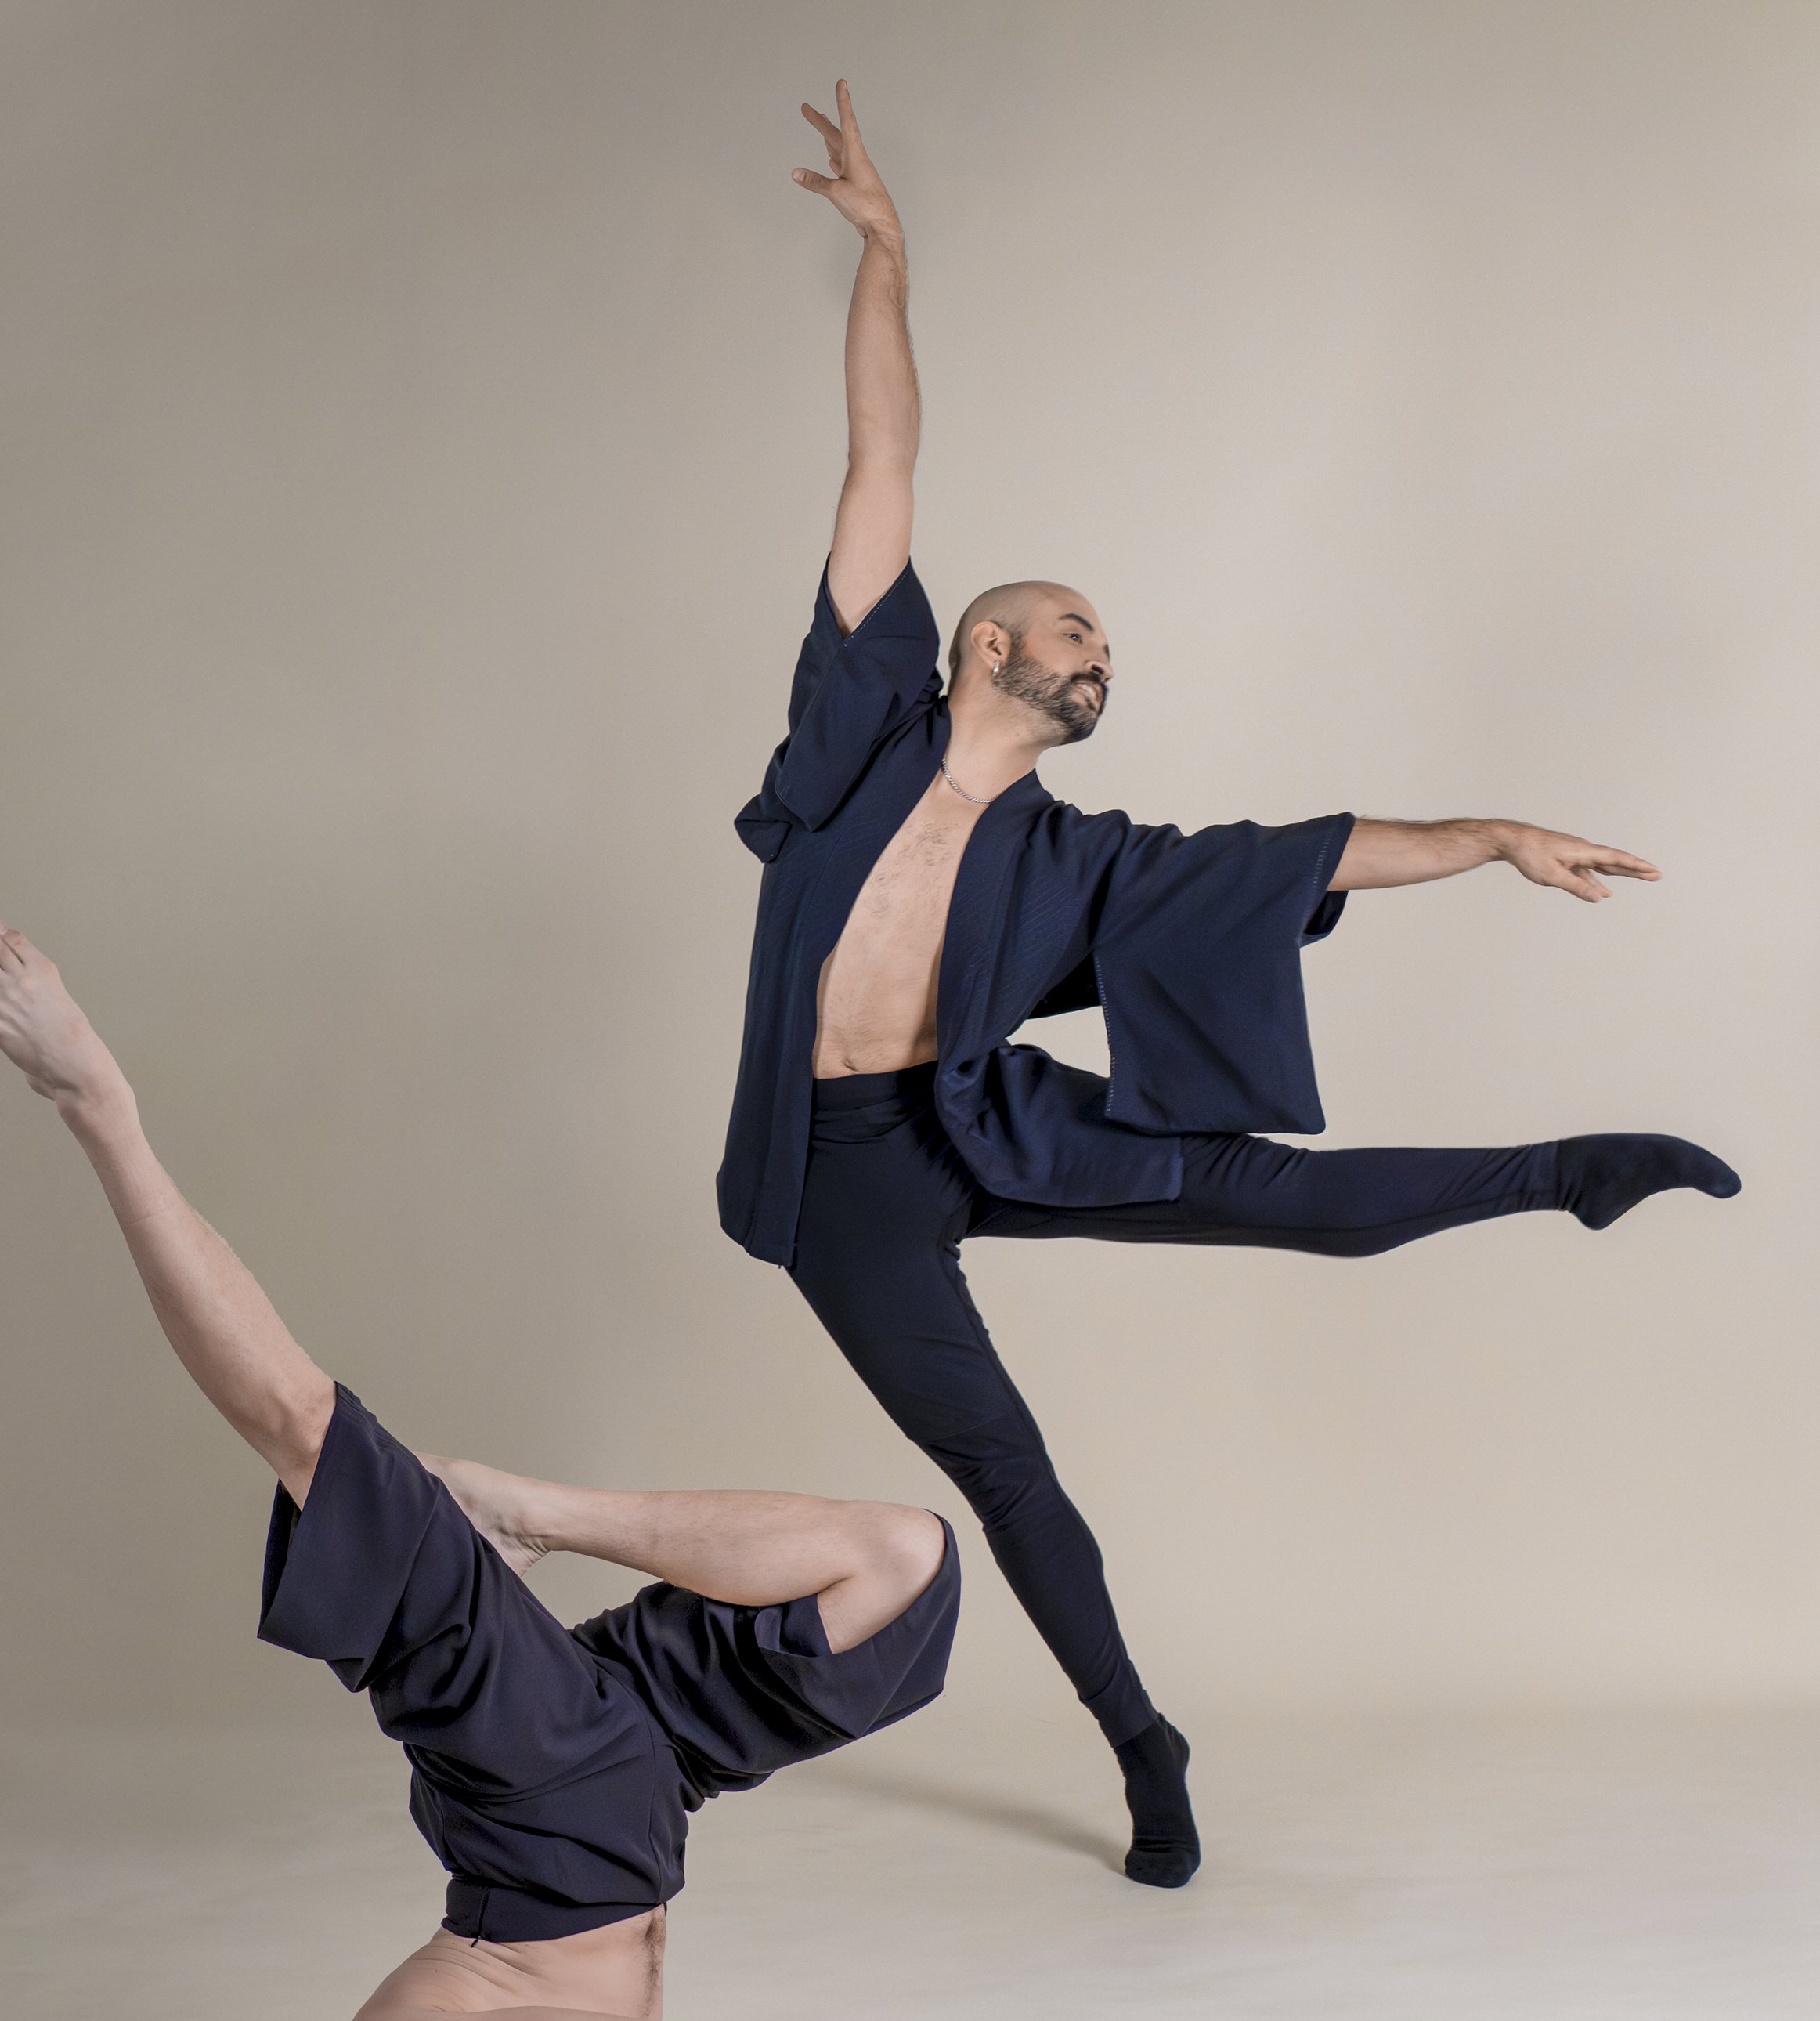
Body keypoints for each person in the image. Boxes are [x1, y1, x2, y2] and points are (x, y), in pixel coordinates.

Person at [719, 81, 1740, 1894]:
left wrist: (1492, 832)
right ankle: (1142, 1743)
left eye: (1108, 642)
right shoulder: (858, 726)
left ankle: (1566, 1171)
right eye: (1077, 629)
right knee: (1008, 1474)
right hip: (839, 1179)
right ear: (986, 645)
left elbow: (1309, 850)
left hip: (986, 1122)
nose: (1102, 654)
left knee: (1293, 1210)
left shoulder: (1080, 858)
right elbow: (880, 464)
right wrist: (888, 260)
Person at [0, 920, 955, 2021]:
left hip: (538, 1800)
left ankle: (99, 1108)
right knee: (908, 1567)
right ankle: (527, 1512)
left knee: (306, 1433)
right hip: (641, 1799)